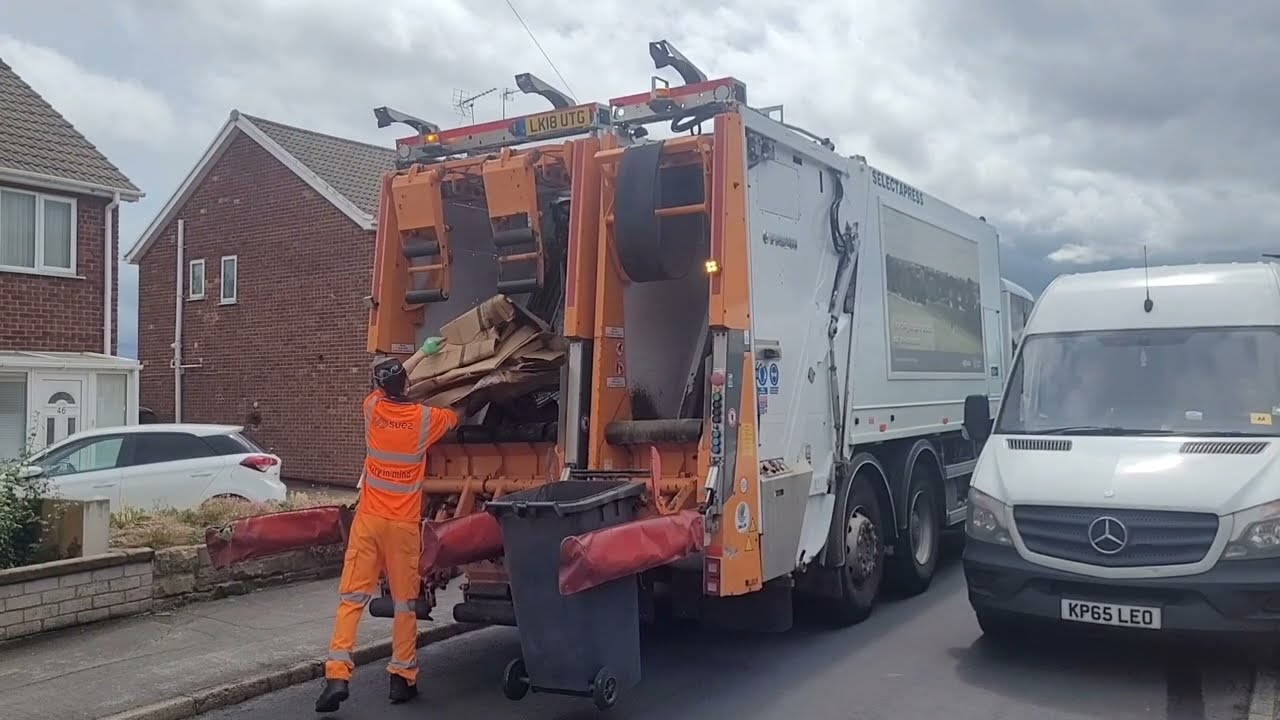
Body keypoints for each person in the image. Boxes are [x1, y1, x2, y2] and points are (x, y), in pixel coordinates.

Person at [315, 345, 458, 712]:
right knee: (405, 604)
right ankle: (402, 677)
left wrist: (416, 355)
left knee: (351, 599)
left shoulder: (372, 410)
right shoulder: (425, 419)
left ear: (380, 388)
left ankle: (336, 675)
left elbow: (385, 383)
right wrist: (429, 358)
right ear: (407, 384)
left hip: (368, 523)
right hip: (402, 527)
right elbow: (455, 414)